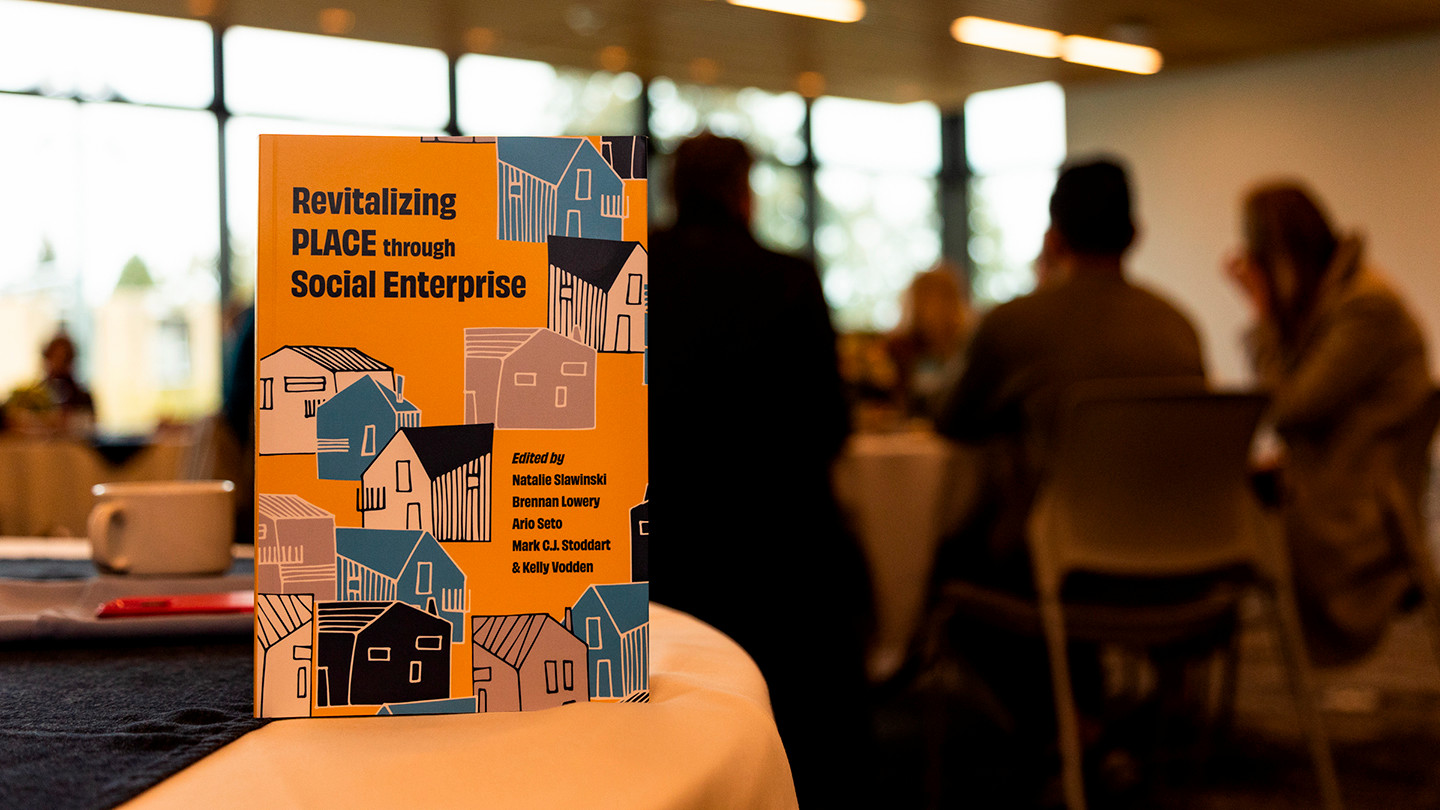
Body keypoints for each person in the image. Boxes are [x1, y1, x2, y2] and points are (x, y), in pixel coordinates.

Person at [647, 133, 875, 806]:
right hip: (785, 562)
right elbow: (830, 427)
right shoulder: (789, 277)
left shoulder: (628, 271)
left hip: (665, 555)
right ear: (742, 193)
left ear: (671, 192)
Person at [933, 157, 1206, 592]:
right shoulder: (1180, 326)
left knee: (946, 560)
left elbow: (951, 422)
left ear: (1053, 241)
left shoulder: (1014, 322)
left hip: (1061, 569)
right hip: (1187, 566)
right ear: (1135, 235)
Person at [1226, 180, 1432, 665]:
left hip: (1348, 516)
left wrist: (1260, 312)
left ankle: (1178, 700)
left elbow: (1287, 408)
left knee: (1200, 530)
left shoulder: (1366, 309)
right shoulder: (1346, 303)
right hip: (1344, 491)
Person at [884, 261, 974, 423]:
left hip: (953, 429)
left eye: (942, 297)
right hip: (912, 431)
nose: (935, 306)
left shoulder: (967, 345)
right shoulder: (900, 346)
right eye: (927, 297)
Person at [5, 331, 96, 436]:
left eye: (65, 359)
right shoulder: (33, 397)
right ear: (47, 359)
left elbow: (91, 427)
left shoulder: (83, 397)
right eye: (55, 357)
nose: (59, 363)